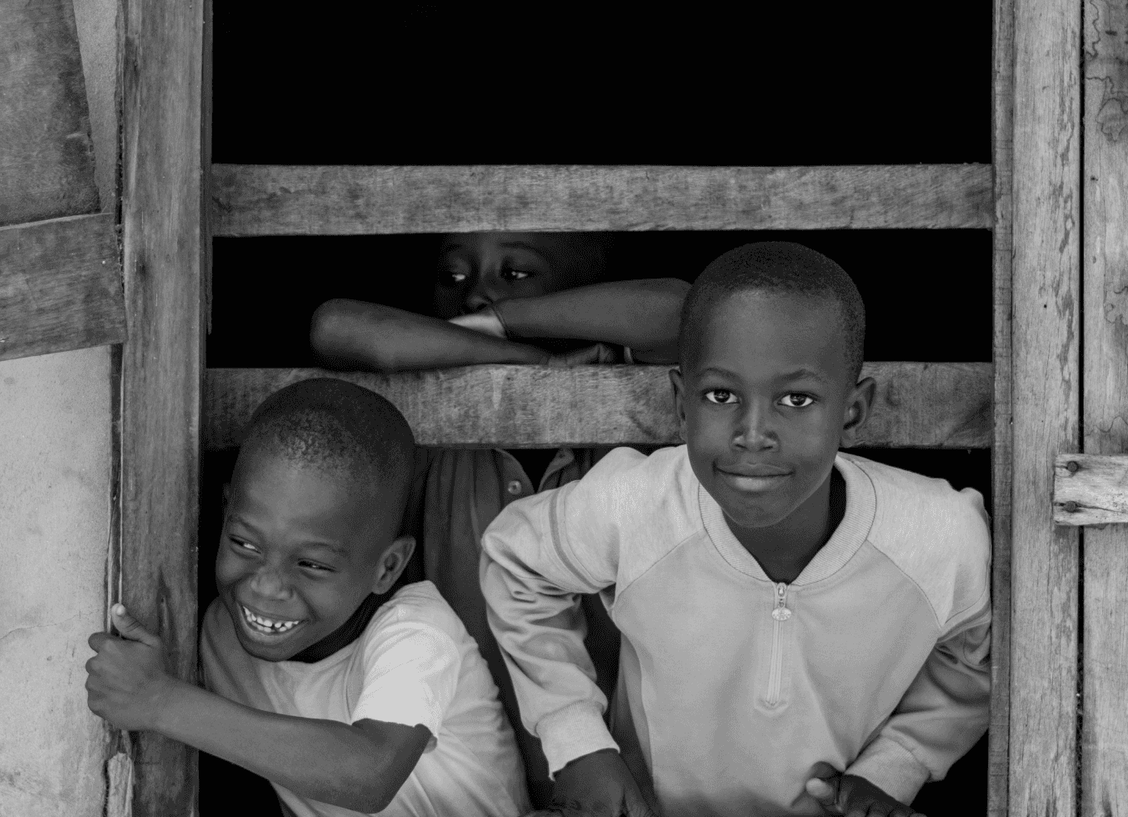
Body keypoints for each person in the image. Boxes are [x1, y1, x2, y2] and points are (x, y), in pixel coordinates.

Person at [480, 242, 992, 817]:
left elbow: (979, 651)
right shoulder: (638, 504)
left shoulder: (935, 535)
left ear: (852, 410)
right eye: (721, 396)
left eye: (796, 399)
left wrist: (896, 765)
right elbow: (517, 559)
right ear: (682, 403)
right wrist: (576, 741)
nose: (753, 434)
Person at [310, 232, 690, 803]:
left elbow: (684, 312)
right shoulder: (432, 425)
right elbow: (336, 327)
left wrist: (505, 322)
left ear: (582, 292)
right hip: (473, 790)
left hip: (625, 786)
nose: (475, 295)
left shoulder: (623, 399)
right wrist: (531, 362)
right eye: (453, 277)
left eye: (515, 275)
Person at [85, 379, 528, 817]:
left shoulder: (419, 632)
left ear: (388, 567)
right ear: (225, 511)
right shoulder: (219, 636)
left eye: (312, 565)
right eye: (245, 544)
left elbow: (370, 775)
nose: (266, 587)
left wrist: (160, 701)